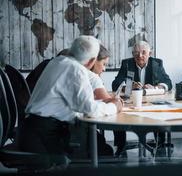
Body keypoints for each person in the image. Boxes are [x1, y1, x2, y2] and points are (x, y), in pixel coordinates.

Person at [18, 35, 123, 168]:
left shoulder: (58, 61)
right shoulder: (75, 70)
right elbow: (89, 109)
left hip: (31, 129)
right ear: (91, 61)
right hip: (43, 136)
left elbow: (79, 104)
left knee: (98, 145)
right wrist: (114, 106)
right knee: (102, 152)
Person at [112, 40, 172, 156]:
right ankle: (120, 146)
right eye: (137, 53)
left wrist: (156, 87)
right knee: (118, 114)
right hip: (132, 102)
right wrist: (128, 85)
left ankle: (160, 146)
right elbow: (115, 84)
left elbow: (168, 82)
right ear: (133, 54)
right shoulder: (127, 64)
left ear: (149, 54)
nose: (140, 56)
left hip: (151, 103)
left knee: (159, 114)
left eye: (144, 52)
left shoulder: (156, 63)